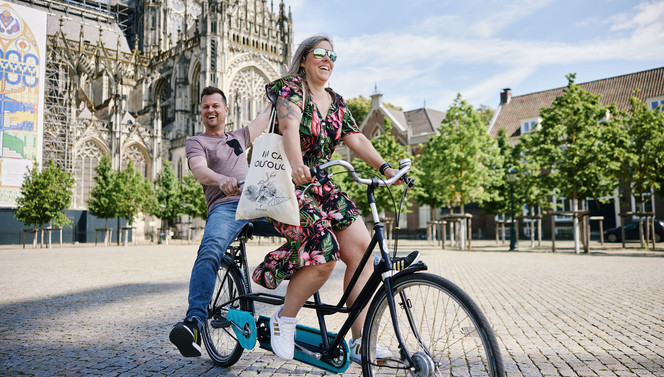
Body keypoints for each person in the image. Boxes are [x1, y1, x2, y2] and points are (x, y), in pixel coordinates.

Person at [252, 35, 419, 363]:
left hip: (324, 187)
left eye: (332, 55)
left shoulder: (337, 102)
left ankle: (360, 341)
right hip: (288, 184)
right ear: (304, 59)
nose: (327, 59)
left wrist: (387, 169)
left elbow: (356, 138)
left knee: (362, 254)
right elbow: (290, 126)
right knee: (324, 254)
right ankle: (283, 319)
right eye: (319, 53)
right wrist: (298, 164)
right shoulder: (291, 87)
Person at [169, 86, 272, 357]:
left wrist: (280, 87)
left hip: (255, 202)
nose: (210, 110)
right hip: (225, 208)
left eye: (216, 105)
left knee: (305, 228)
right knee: (210, 250)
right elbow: (199, 169)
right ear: (201, 112)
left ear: (226, 110)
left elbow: (266, 117)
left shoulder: (239, 136)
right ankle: (193, 323)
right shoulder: (196, 142)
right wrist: (220, 179)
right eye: (205, 106)